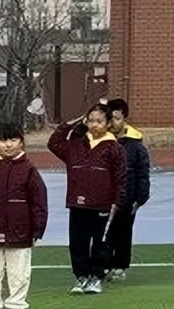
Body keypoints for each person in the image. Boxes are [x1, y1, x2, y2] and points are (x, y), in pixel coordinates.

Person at [48, 104, 126, 294]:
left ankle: (96, 276)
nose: (94, 125)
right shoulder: (75, 145)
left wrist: (118, 201)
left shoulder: (114, 148)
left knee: (100, 242)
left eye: (99, 121)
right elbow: (54, 144)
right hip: (77, 202)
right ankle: (81, 276)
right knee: (77, 242)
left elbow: (120, 177)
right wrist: (69, 125)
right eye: (91, 120)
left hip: (102, 204)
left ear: (108, 123)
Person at [0, 122, 49, 309]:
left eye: (13, 140)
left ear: (22, 142)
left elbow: (39, 201)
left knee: (18, 274)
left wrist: (37, 229)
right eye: (3, 140)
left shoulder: (28, 169)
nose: (8, 145)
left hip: (20, 233)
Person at [102, 98, 151, 281]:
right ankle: (103, 263)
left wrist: (140, 198)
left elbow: (142, 172)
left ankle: (120, 264)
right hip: (105, 198)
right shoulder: (102, 142)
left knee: (123, 231)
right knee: (105, 231)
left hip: (127, 197)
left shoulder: (135, 145)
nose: (113, 123)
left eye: (116, 118)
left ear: (124, 118)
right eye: (109, 118)